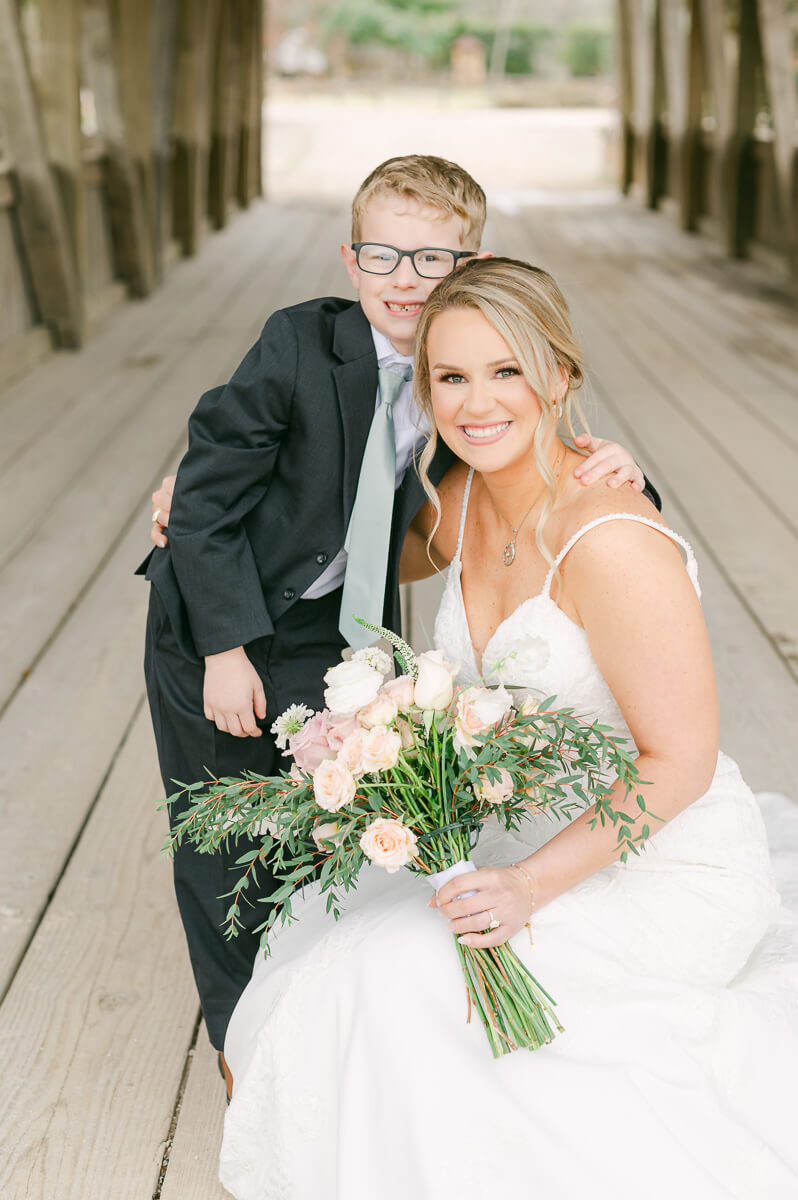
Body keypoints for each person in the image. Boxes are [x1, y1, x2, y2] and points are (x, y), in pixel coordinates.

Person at [217, 258, 798, 1200]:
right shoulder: (461, 497)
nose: (477, 403)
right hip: (515, 831)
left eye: (506, 372)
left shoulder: (607, 538)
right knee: (333, 960)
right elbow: (341, 537)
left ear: (560, 376)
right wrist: (204, 498)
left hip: (652, 864)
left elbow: (681, 760)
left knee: (404, 971)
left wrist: (528, 886)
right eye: (451, 377)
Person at [140, 155, 656, 1087]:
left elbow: (530, 439)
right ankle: (234, 1039)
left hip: (333, 632)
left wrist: (614, 465)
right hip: (216, 619)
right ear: (350, 261)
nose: (407, 282)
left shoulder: (461, 374)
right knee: (217, 834)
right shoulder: (301, 346)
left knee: (318, 819)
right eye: (384, 258)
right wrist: (224, 648)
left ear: (474, 265)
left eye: (434, 261)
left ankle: (300, 1001)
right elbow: (206, 502)